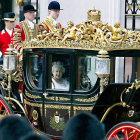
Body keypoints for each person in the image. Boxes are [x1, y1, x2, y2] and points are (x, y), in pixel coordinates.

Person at [12, 4, 39, 102]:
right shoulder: (20, 26)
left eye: (33, 12)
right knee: (22, 80)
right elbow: (15, 41)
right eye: (31, 12)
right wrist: (22, 50)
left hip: (36, 58)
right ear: (25, 14)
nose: (33, 14)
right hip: (24, 58)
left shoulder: (37, 26)